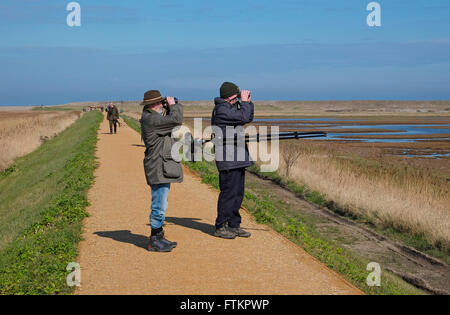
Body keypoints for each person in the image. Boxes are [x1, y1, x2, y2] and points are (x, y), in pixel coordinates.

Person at [140, 90, 184, 252]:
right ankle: (154, 239)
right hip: (157, 166)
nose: (162, 104)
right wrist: (173, 105)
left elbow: (169, 121)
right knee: (159, 204)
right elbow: (176, 120)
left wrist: (169, 107)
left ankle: (159, 236)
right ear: (152, 104)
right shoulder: (151, 119)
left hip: (159, 165)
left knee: (161, 203)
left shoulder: (151, 116)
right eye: (160, 102)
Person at [211, 82, 254, 239]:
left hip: (237, 157)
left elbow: (245, 117)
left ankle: (234, 225)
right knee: (228, 193)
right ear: (229, 96)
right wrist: (246, 102)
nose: (238, 100)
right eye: (236, 97)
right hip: (228, 158)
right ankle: (220, 226)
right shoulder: (222, 110)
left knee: (238, 193)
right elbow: (245, 116)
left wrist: (245, 102)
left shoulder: (229, 107)